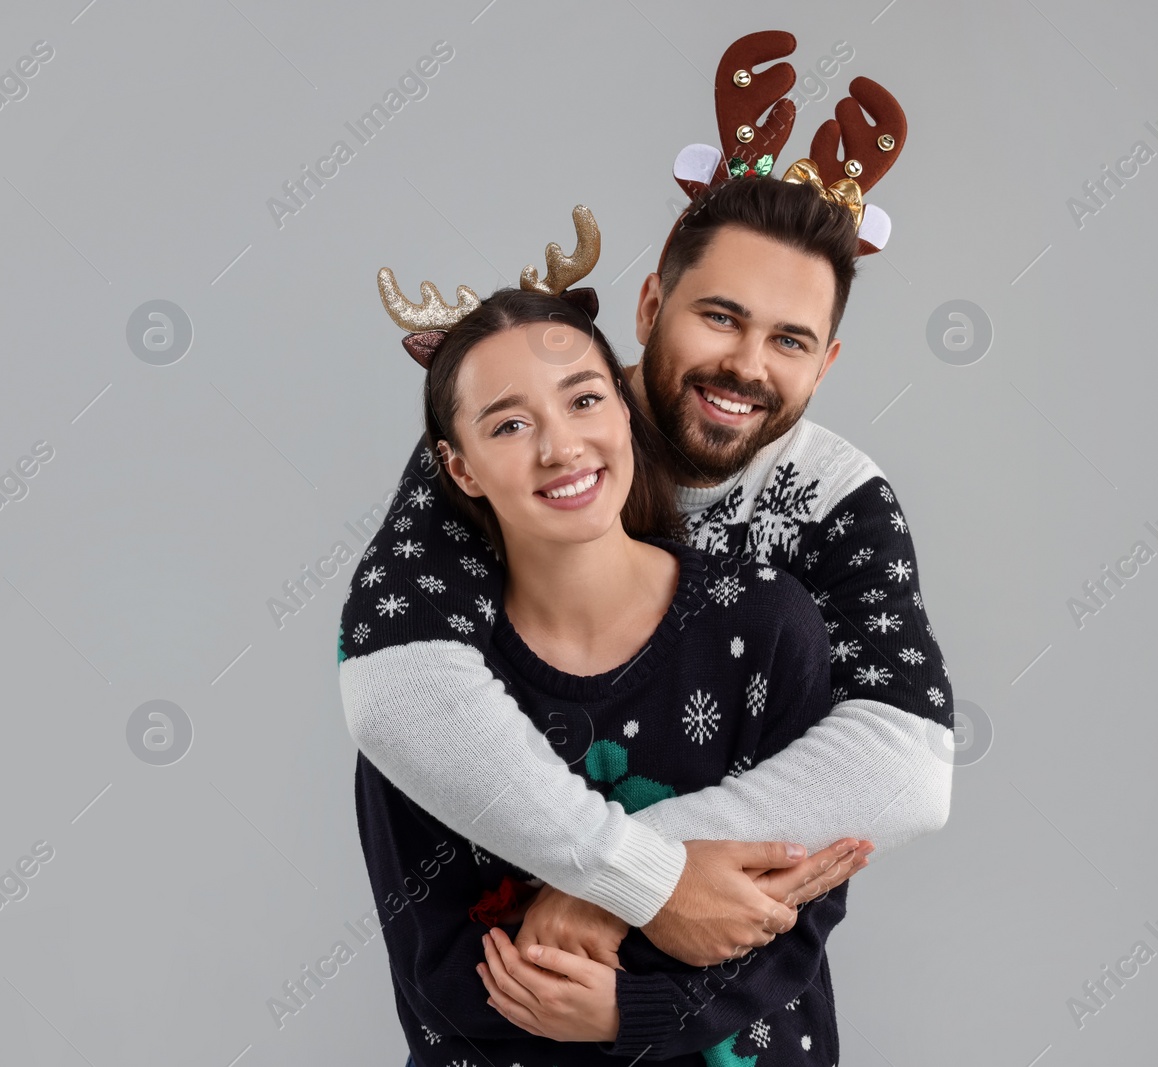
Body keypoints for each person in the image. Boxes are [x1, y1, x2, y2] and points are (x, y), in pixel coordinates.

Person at [339, 31, 953, 974]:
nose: (747, 365)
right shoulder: (534, 437)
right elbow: (396, 682)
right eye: (720, 316)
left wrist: (621, 888)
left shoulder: (838, 498)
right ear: (649, 304)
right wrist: (641, 878)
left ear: (825, 364)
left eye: (790, 340)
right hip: (504, 973)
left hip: (723, 987)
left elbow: (906, 762)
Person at [354, 269, 867, 1063]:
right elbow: (439, 972)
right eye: (509, 425)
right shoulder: (434, 700)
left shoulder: (766, 624)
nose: (561, 446)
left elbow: (797, 907)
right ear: (459, 469)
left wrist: (637, 1007)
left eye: (584, 399)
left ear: (625, 410)